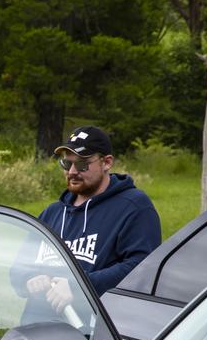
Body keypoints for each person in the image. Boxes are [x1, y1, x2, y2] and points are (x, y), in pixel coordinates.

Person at [22, 126, 161, 314]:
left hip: (93, 334)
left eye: (82, 164)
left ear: (106, 162)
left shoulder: (133, 207)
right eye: (66, 164)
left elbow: (143, 266)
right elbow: (19, 266)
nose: (71, 171)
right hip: (36, 330)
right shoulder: (53, 213)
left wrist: (80, 286)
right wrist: (31, 278)